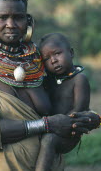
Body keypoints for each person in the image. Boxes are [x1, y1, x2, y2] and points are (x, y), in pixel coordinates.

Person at [0, 0, 100, 171]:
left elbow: (64, 105)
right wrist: (46, 124)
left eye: (18, 17)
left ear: (28, 20)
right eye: (2, 17)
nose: (10, 24)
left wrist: (90, 117)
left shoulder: (39, 63)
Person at [35, 33, 90, 170]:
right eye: (47, 58)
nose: (53, 60)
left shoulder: (79, 80)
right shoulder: (48, 81)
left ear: (71, 53)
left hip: (69, 132)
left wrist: (58, 124)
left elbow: (79, 110)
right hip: (49, 127)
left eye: (57, 53)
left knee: (49, 140)